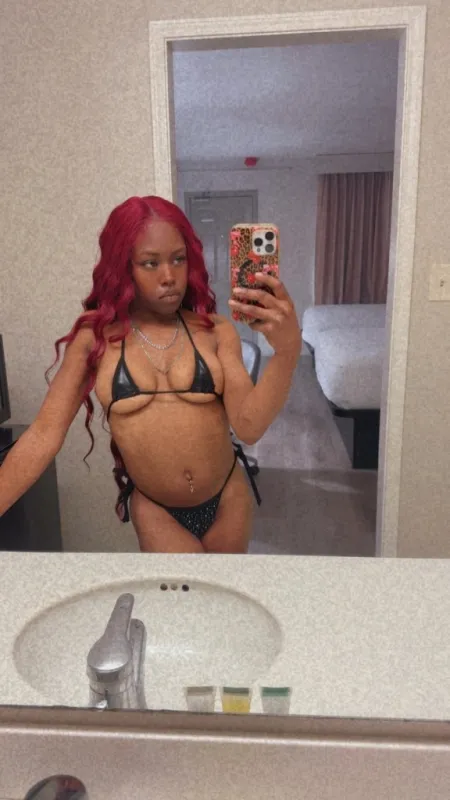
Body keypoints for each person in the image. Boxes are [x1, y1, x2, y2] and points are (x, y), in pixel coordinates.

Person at [0, 196, 301, 553]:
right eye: (150, 263)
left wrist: (287, 352)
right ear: (123, 267)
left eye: (178, 259)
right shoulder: (95, 340)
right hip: (157, 511)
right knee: (179, 592)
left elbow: (249, 427)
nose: (169, 277)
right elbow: (42, 436)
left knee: (222, 591)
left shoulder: (215, 331)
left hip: (227, 499)